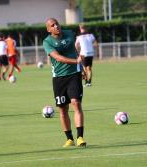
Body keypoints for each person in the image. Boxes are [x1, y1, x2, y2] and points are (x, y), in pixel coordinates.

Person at [43, 18, 86, 148]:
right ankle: (69, 139)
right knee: (62, 109)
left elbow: (75, 51)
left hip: (74, 75)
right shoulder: (47, 42)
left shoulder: (69, 34)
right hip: (59, 78)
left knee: (76, 103)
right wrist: (77, 62)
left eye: (57, 23)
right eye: (52, 25)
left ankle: (80, 137)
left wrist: (81, 66)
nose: (56, 26)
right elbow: (58, 58)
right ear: (49, 29)